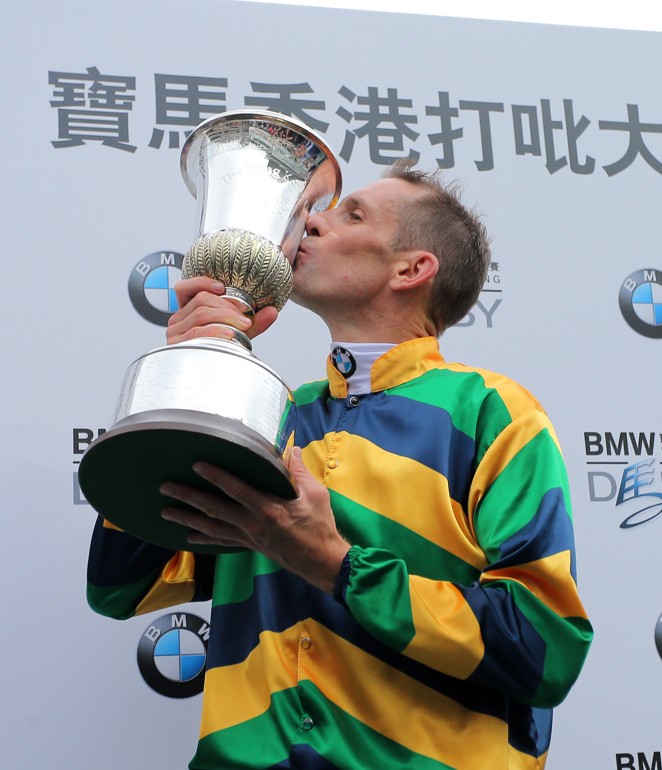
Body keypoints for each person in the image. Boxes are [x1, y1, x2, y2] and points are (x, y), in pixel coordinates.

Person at [86, 161, 592, 769]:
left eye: (350, 214)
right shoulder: (271, 414)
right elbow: (118, 587)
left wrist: (334, 564)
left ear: (412, 268)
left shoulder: (493, 413)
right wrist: (196, 372)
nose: (312, 223)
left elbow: (545, 649)